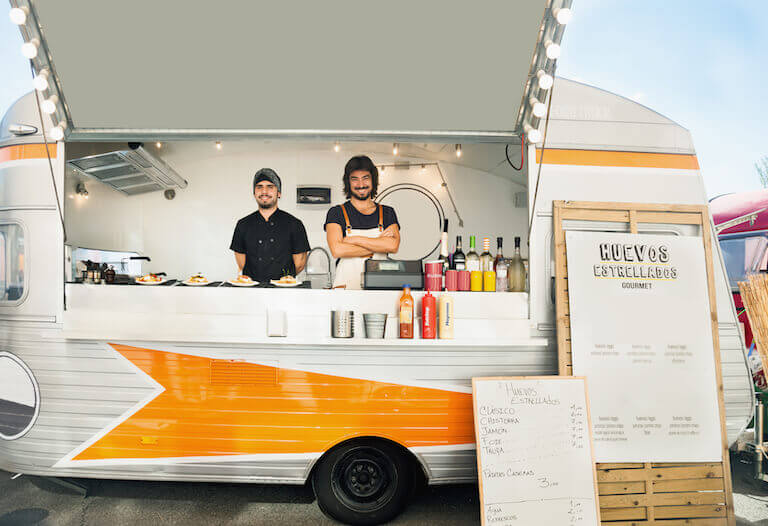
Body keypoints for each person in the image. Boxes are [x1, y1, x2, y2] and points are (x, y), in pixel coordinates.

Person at [325, 155, 400, 289]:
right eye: (355, 179)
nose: (360, 185)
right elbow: (337, 250)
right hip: (346, 289)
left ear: (373, 180)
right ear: (348, 182)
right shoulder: (336, 213)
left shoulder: (387, 212)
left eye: (365, 178)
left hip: (379, 288)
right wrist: (378, 245)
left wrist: (353, 239)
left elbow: (393, 246)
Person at [230, 168, 310, 283]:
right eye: (259, 187)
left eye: (270, 187)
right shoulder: (243, 224)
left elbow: (299, 264)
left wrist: (283, 282)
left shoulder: (294, 224)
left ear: (279, 193)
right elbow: (241, 263)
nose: (264, 191)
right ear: (254, 193)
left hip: (284, 290)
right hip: (252, 289)